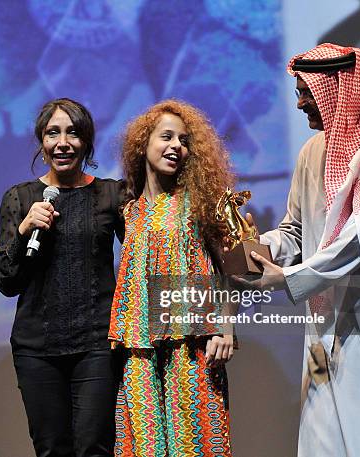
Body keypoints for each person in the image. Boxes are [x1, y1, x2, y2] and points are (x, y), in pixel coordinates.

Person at [244, 43, 360, 456]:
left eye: (306, 92)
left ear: (337, 87)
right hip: (322, 325)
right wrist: (257, 251)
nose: (298, 103)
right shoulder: (312, 151)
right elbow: (295, 230)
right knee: (321, 440)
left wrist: (289, 279)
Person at [0, 98, 124, 457]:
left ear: (86, 142)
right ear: (41, 141)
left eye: (73, 133)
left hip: (97, 344)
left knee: (94, 448)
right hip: (37, 349)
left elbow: (143, 258)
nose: (63, 142)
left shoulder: (112, 194)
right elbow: (5, 282)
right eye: (53, 133)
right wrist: (23, 230)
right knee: (51, 449)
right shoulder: (20, 198)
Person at [109, 100, 235, 456]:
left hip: (193, 343)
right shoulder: (130, 211)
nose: (176, 146)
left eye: (183, 140)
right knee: (143, 446)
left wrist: (224, 328)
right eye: (166, 136)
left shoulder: (199, 201)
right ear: (143, 142)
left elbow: (231, 268)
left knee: (194, 444)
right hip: (140, 348)